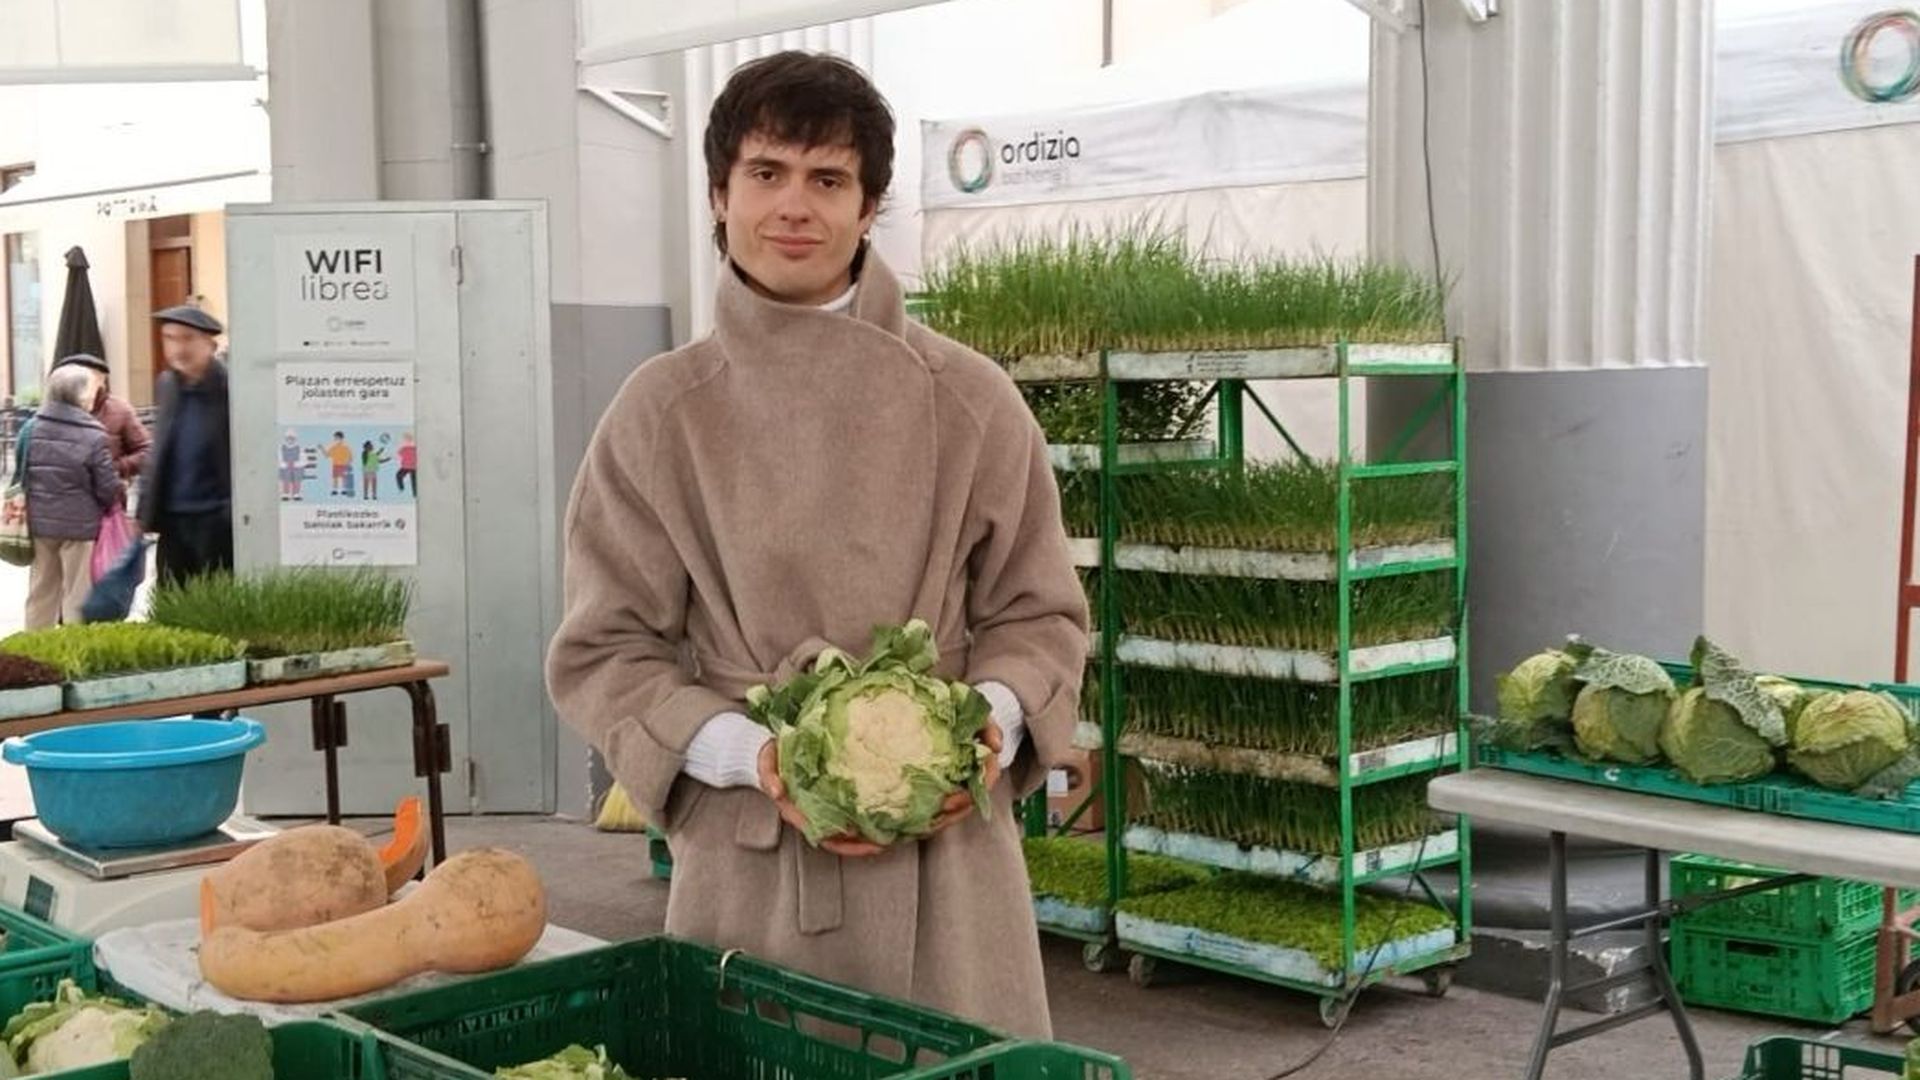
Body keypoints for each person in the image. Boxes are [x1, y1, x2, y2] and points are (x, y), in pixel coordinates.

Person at [546, 52, 1087, 1039]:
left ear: (869, 205)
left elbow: (1039, 613)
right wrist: (754, 757)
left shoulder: (970, 401)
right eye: (766, 173)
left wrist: (982, 725)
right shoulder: (660, 413)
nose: (794, 207)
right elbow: (605, 652)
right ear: (719, 193)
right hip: (750, 868)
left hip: (947, 874)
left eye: (828, 179)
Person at [22, 365, 123, 627]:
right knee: (77, 594)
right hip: (80, 528)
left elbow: (21, 475)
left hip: (40, 524)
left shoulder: (31, 428)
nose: (93, 396)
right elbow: (107, 488)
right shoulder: (93, 434)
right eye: (89, 390)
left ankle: (34, 652)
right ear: (78, 396)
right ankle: (72, 652)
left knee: (41, 591)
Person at [141, 304, 232, 583]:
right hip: (172, 520)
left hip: (216, 521)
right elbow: (159, 451)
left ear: (211, 344)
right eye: (170, 338)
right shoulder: (167, 385)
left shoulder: (230, 387)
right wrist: (143, 512)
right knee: (171, 604)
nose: (178, 348)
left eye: (187, 338)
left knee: (215, 603)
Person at [50, 353, 149, 494]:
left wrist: (113, 469)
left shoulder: (119, 409)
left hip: (107, 503)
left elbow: (146, 451)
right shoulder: (49, 415)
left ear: (101, 381)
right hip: (59, 499)